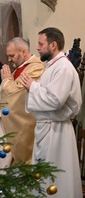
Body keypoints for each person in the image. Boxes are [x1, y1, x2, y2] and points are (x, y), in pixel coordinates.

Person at [20, 27, 82, 197]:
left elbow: (55, 100)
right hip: (47, 128)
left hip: (57, 130)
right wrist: (33, 88)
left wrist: (33, 87)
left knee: (57, 178)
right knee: (44, 177)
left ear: (53, 45)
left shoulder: (63, 68)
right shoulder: (52, 65)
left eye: (41, 44)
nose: (38, 48)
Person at [0, 37, 45, 169]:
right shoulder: (20, 68)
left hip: (19, 122)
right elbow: (3, 91)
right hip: (5, 121)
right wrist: (5, 84)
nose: (9, 59)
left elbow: (18, 94)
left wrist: (6, 82)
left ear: (23, 52)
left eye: (12, 55)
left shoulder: (36, 68)